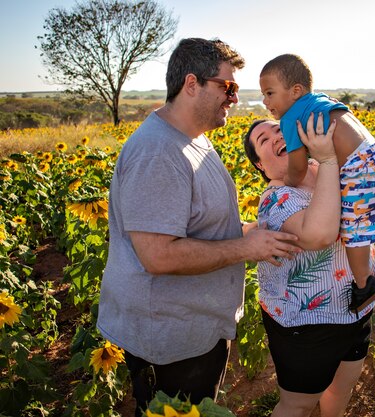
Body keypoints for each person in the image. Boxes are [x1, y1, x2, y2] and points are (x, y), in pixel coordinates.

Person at [96, 38, 301, 417]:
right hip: (169, 340)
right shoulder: (158, 153)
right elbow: (158, 254)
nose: (234, 98)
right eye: (228, 87)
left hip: (193, 330)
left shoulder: (192, 140)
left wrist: (253, 230)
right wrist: (248, 248)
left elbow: (201, 225)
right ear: (192, 84)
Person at [244, 114, 375, 417]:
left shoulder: (328, 169)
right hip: (307, 325)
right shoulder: (278, 198)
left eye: (279, 130)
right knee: (298, 405)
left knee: (339, 392)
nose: (276, 137)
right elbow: (318, 235)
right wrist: (329, 161)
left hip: (357, 309)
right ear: (260, 166)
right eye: (264, 140)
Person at [259, 54, 375, 313]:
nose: (265, 101)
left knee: (355, 227)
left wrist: (290, 181)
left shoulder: (291, 118)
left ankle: (364, 284)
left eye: (270, 93)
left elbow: (298, 165)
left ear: (295, 91)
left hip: (357, 167)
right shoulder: (324, 101)